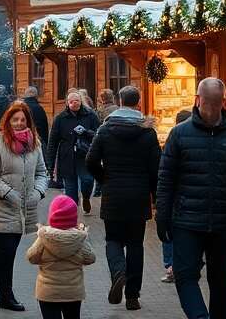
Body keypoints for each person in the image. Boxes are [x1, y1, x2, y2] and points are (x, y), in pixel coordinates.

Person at [156, 78, 226, 319]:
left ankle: (199, 316)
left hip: (191, 220)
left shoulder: (179, 134)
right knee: (219, 280)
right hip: (217, 221)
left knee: (191, 276)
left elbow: (165, 179)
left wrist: (162, 215)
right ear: (224, 101)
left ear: (197, 99)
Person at [86, 85, 161, 309]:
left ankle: (118, 270)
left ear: (119, 101)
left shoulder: (106, 129)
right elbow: (156, 168)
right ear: (138, 103)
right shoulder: (148, 132)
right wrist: (155, 196)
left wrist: (104, 178)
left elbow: (90, 161)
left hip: (114, 194)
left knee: (113, 239)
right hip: (138, 196)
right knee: (136, 244)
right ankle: (132, 296)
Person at [0, 101, 49, 312]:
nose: (20, 123)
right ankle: (7, 295)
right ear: (8, 120)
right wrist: (8, 194)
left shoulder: (35, 143)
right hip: (2, 205)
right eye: (15, 120)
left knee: (7, 252)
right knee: (8, 251)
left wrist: (38, 193)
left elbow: (42, 172)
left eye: (23, 120)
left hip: (25, 208)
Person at [26, 195, 96, 319]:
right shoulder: (79, 239)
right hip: (73, 293)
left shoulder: (44, 237)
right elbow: (90, 258)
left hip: (47, 293)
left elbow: (31, 257)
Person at [46, 89, 101, 214]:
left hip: (85, 155)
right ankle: (72, 214)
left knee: (87, 181)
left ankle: (86, 197)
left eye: (77, 101)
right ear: (67, 103)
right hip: (67, 156)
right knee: (70, 187)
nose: (74, 103)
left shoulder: (90, 115)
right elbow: (53, 142)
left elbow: (99, 134)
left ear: (81, 102)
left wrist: (86, 132)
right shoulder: (60, 118)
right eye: (71, 101)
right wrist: (50, 163)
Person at [161, 108, 192, 284]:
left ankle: (171, 266)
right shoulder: (201, 140)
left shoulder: (172, 141)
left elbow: (164, 173)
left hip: (175, 196)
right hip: (191, 198)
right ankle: (186, 265)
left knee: (169, 232)